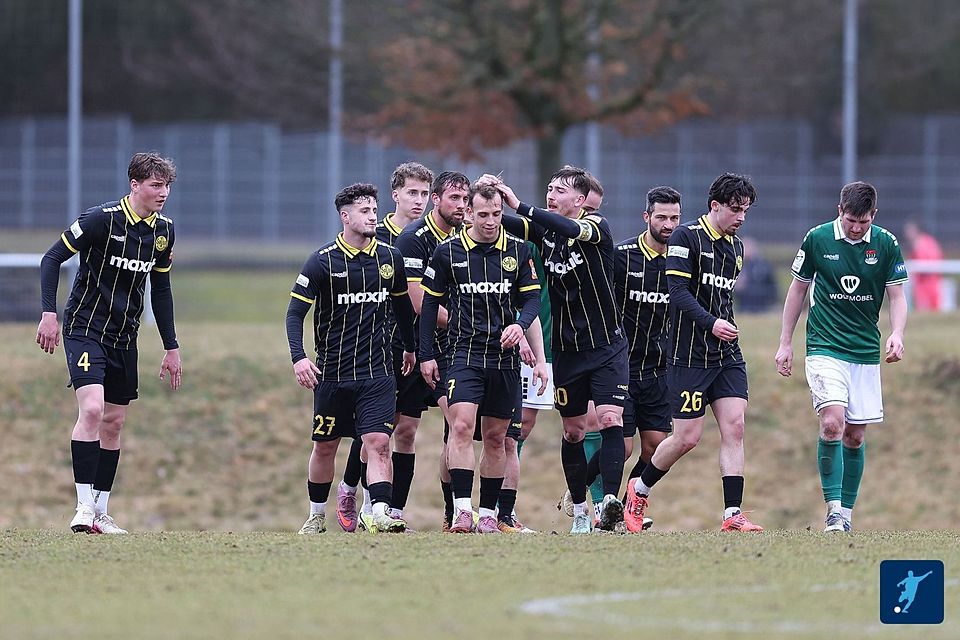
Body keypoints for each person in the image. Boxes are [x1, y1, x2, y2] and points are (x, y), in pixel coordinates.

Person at [36, 151, 183, 535]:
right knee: (92, 410)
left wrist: (171, 346)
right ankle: (83, 507)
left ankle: (101, 511)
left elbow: (161, 289)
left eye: (166, 185)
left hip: (124, 337)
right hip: (85, 330)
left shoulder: (163, 231)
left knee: (114, 423)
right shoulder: (100, 220)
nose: (162, 192)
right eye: (155, 185)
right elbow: (51, 259)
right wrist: (49, 313)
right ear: (135, 185)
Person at [480, 167, 628, 535]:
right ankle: (580, 510)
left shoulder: (595, 227)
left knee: (610, 420)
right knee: (574, 433)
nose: (552, 194)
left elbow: (569, 229)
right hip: (567, 352)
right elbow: (503, 225)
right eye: (549, 188)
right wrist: (487, 197)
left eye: (560, 190)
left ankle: (609, 504)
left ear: (579, 200)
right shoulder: (544, 233)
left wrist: (521, 204)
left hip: (607, 346)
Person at [625, 173, 764, 533]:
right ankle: (638, 489)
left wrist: (725, 328)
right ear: (714, 206)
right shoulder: (687, 237)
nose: (741, 217)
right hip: (688, 355)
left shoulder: (735, 247)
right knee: (687, 438)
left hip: (726, 354)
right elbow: (678, 292)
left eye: (746, 211)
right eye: (735, 210)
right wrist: (711, 324)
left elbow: (723, 298)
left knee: (735, 426)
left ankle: (732, 513)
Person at [775, 181, 908, 533]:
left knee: (855, 436)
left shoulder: (885, 243)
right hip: (824, 346)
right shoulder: (817, 239)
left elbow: (897, 296)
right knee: (832, 423)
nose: (856, 227)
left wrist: (896, 333)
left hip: (864, 351)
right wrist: (785, 342)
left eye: (863, 222)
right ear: (840, 211)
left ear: (873, 216)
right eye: (851, 219)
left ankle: (846, 515)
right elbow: (797, 290)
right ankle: (832, 509)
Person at [286, 183, 418, 534]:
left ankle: (378, 512)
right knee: (325, 447)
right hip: (332, 374)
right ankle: (316, 514)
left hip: (377, 373)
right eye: (364, 211)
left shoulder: (390, 258)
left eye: (374, 210)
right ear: (345, 217)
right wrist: (299, 358)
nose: (372, 216)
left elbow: (403, 308)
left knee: (379, 443)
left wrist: (409, 346)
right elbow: (295, 313)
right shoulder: (322, 260)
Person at [419, 183, 543, 533]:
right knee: (460, 426)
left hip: (503, 359)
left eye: (497, 214)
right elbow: (429, 305)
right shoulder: (448, 252)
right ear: (469, 213)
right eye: (483, 215)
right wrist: (427, 354)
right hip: (464, 354)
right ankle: (462, 510)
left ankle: (488, 513)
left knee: (496, 437)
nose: (491, 222)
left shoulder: (519, 252)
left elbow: (532, 300)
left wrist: (519, 326)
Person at [334, 161, 434, 533]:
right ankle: (348, 488)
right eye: (411, 192)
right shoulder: (378, 233)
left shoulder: (430, 237)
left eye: (424, 193)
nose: (418, 200)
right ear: (395, 195)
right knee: (374, 431)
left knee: (406, 430)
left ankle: (391, 510)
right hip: (375, 349)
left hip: (415, 347)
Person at [591, 186, 680, 533]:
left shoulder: (682, 257)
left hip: (661, 369)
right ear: (647, 217)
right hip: (622, 364)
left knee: (656, 447)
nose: (668, 224)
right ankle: (591, 498)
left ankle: (628, 505)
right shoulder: (623, 256)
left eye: (674, 217)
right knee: (622, 446)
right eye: (661, 217)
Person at [394, 171, 470, 531]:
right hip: (410, 346)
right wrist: (465, 324)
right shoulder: (414, 239)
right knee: (396, 429)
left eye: (464, 199)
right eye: (453, 198)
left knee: (458, 426)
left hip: (452, 348)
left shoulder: (466, 239)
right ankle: (379, 508)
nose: (460, 206)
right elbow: (417, 300)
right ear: (437, 201)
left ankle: (454, 511)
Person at [903, 219, 944, 311]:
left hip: (928, 283)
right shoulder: (926, 242)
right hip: (925, 283)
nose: (907, 233)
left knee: (930, 309)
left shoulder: (923, 244)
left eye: (909, 230)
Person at [735, 237, 778, 313]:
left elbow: (772, 286)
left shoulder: (763, 266)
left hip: (761, 307)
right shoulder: (737, 267)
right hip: (743, 307)